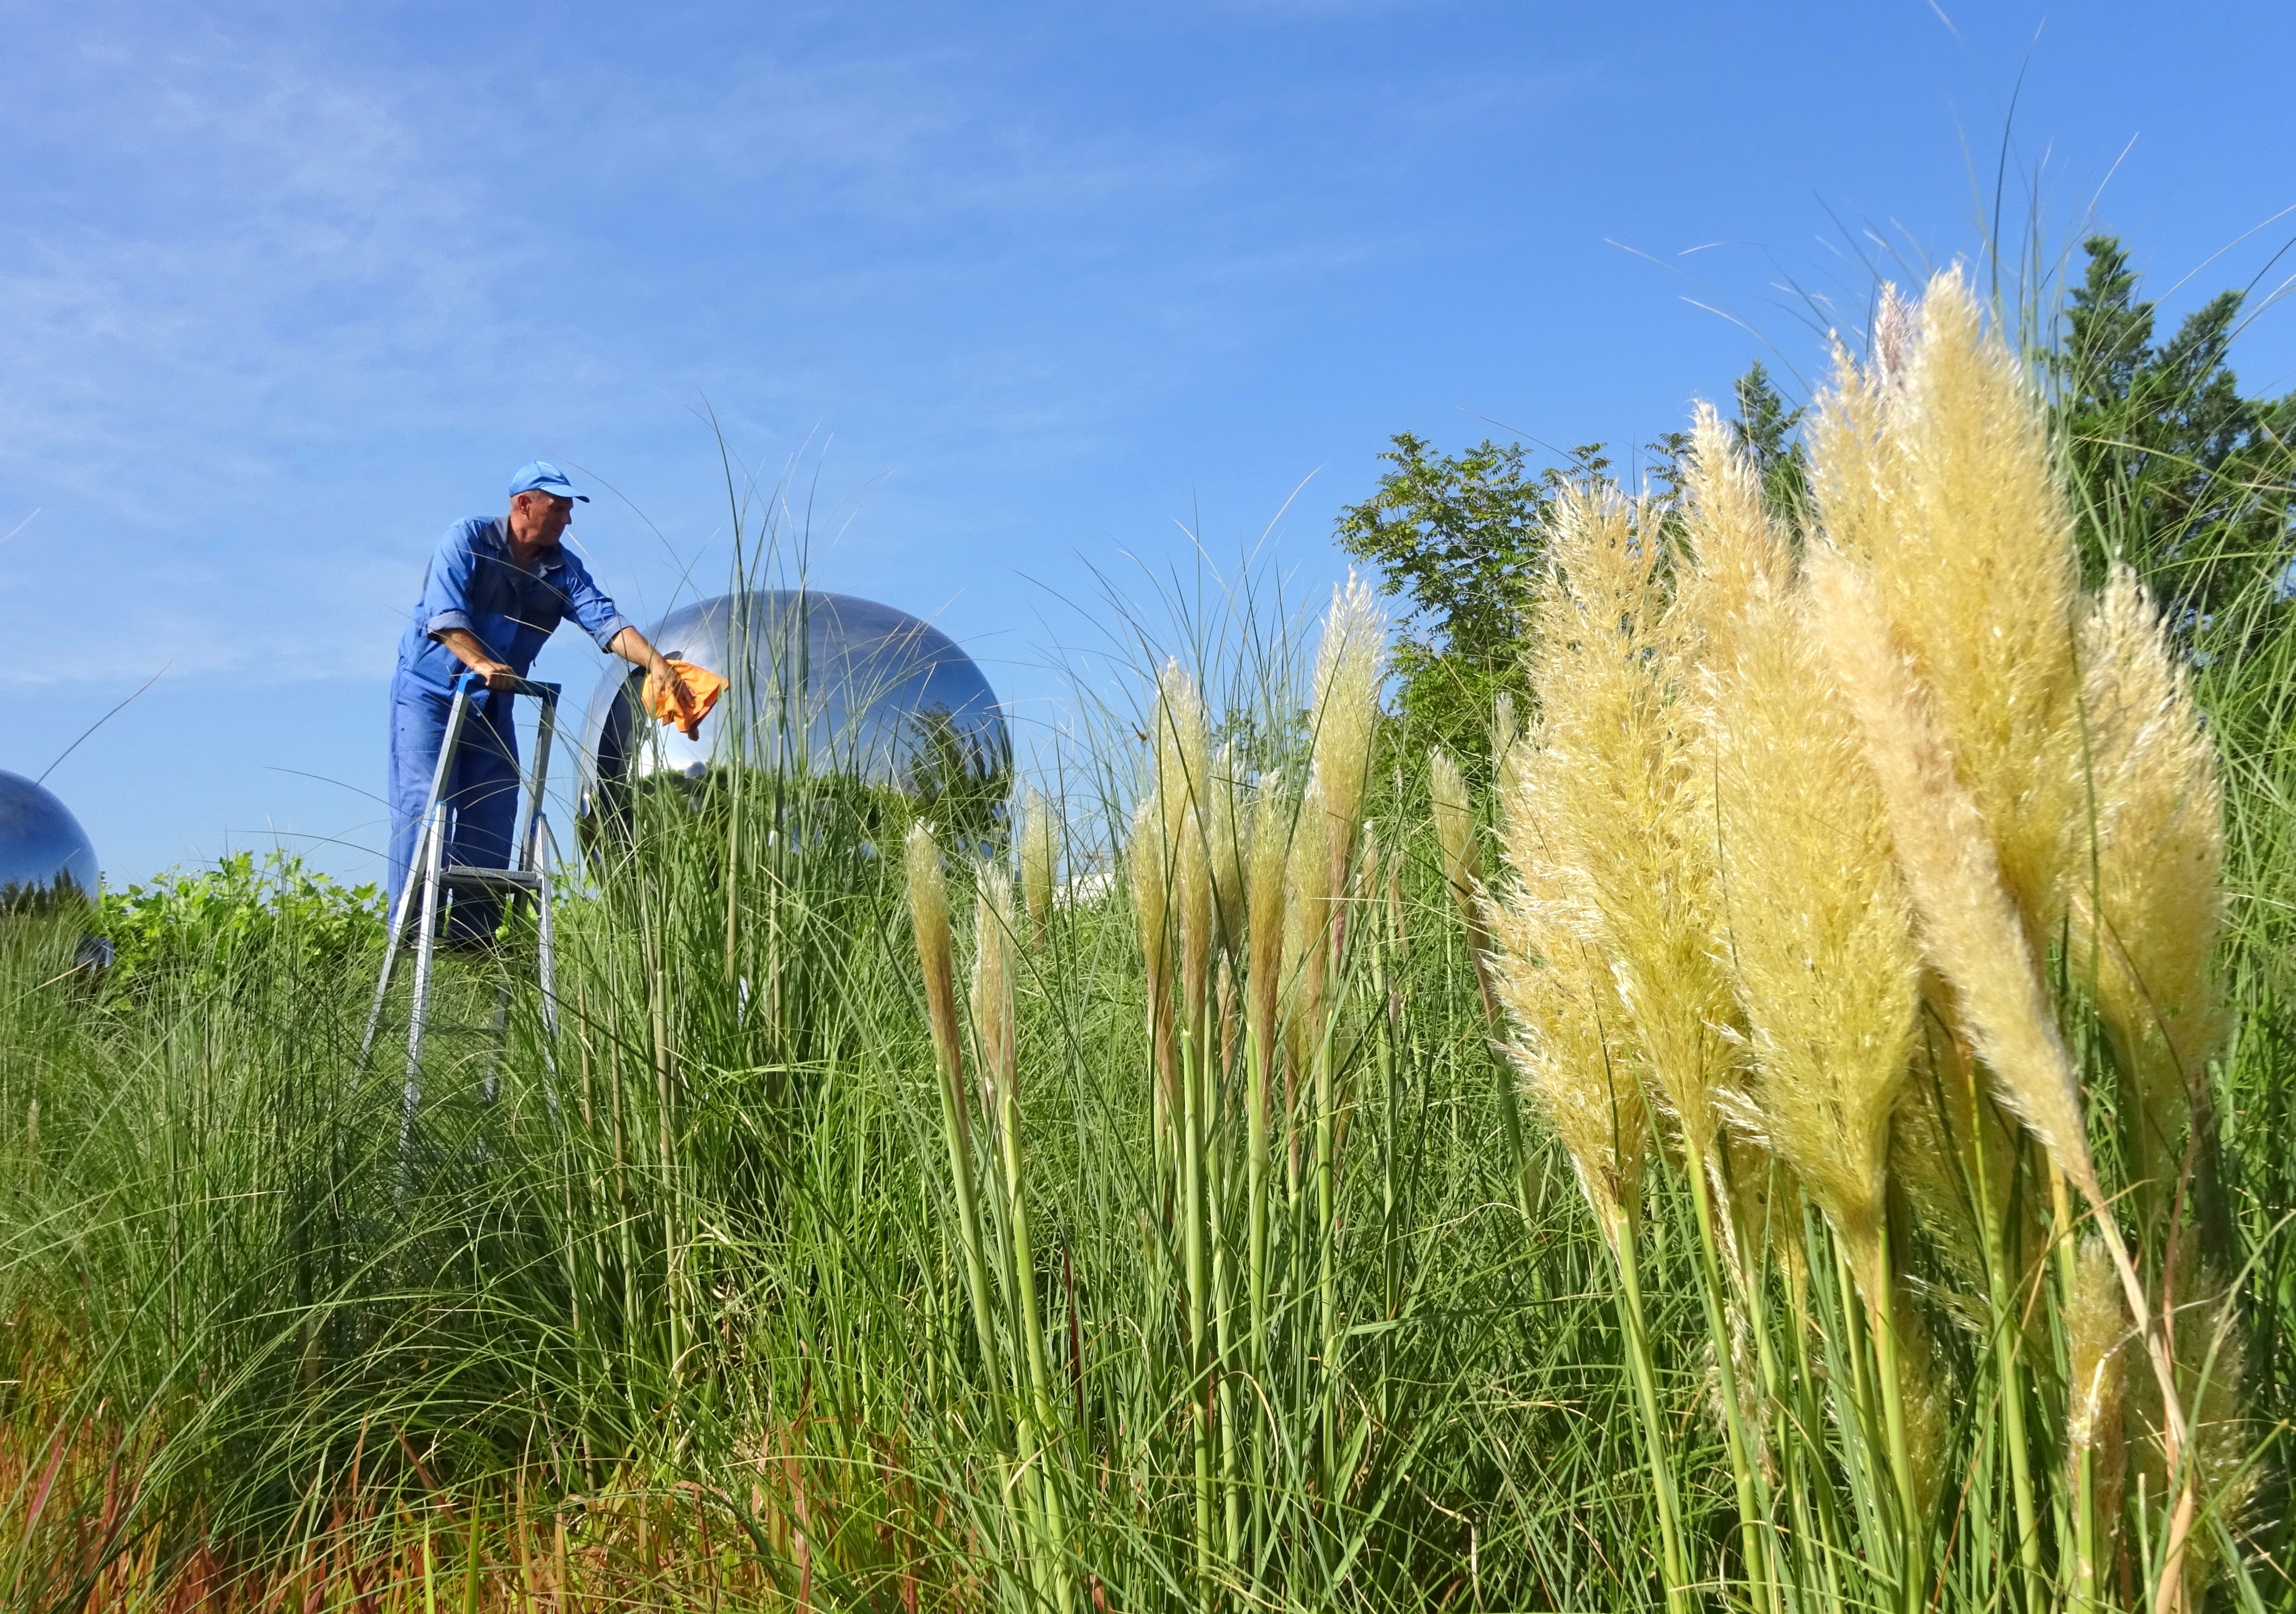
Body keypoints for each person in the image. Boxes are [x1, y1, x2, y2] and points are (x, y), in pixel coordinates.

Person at [387, 460, 695, 945]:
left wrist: (658, 664)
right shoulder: (466, 540)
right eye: (558, 509)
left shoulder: (561, 568)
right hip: (430, 695)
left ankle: (472, 936)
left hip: (494, 700)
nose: (566, 521)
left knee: (494, 806)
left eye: (570, 511)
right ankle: (410, 929)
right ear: (522, 503)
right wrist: (480, 662)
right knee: (424, 803)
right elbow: (444, 618)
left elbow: (606, 622)